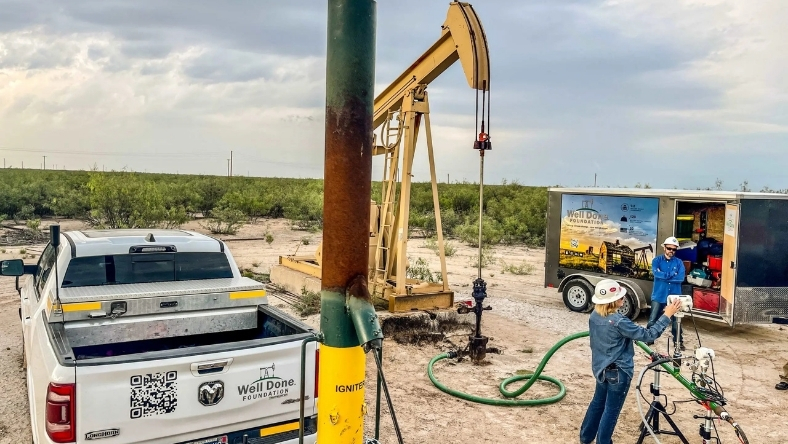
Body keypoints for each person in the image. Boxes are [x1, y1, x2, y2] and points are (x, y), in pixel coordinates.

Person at [580, 279, 682, 444]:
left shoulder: (594, 315)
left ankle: (585, 437)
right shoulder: (619, 322)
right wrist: (667, 315)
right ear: (614, 301)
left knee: (598, 403)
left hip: (600, 369)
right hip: (618, 373)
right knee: (611, 410)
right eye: (621, 296)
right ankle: (603, 441)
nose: (624, 297)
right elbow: (649, 335)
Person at [646, 236, 686, 349]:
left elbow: (681, 278)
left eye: (674, 249)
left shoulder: (679, 263)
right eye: (669, 248)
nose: (671, 251)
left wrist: (664, 276)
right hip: (659, 295)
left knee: (676, 321)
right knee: (653, 319)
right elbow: (656, 274)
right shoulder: (656, 261)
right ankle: (649, 339)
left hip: (674, 297)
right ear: (664, 248)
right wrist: (672, 274)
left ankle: (678, 341)